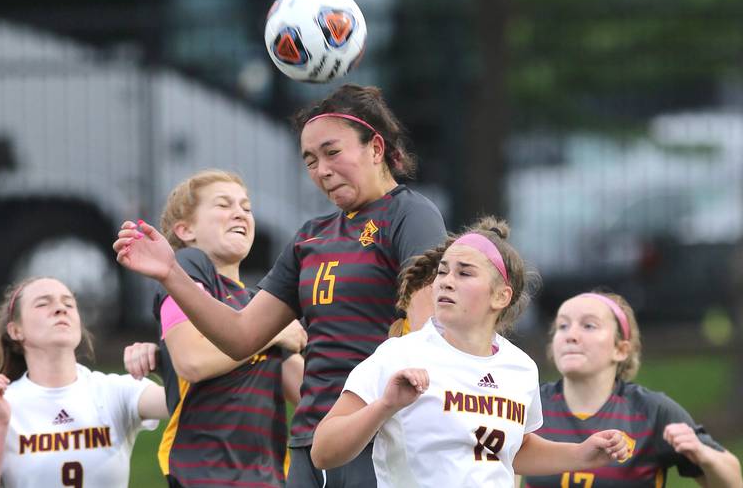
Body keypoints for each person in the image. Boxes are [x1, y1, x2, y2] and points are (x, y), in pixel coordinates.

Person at [113, 84, 447, 487]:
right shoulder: (310, 238)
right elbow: (240, 336)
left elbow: (430, 335)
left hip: (382, 439)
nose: (321, 169)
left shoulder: (410, 215)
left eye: (332, 152)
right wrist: (170, 272)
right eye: (310, 159)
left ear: (375, 148)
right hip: (311, 446)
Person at [311, 217, 630, 487]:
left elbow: (513, 449)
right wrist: (384, 406)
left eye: (464, 273)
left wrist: (581, 453)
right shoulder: (398, 355)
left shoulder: (520, 368)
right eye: (443, 271)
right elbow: (323, 451)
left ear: (501, 296)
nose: (446, 282)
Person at [123, 169, 306, 488]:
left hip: (268, 478)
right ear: (185, 230)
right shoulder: (188, 270)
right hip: (205, 473)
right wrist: (272, 333)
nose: (240, 213)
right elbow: (193, 362)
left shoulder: (256, 303)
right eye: (224, 205)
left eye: (246, 207)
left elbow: (309, 396)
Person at [0, 277, 168, 488]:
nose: (60, 309)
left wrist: (161, 365)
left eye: (68, 304)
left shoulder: (114, 391)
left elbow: (188, 401)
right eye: (43, 303)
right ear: (15, 331)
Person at [521, 291, 743, 488]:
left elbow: (733, 482)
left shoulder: (652, 411)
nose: (570, 335)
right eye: (562, 326)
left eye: (589, 325)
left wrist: (702, 454)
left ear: (620, 349)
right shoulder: (528, 404)